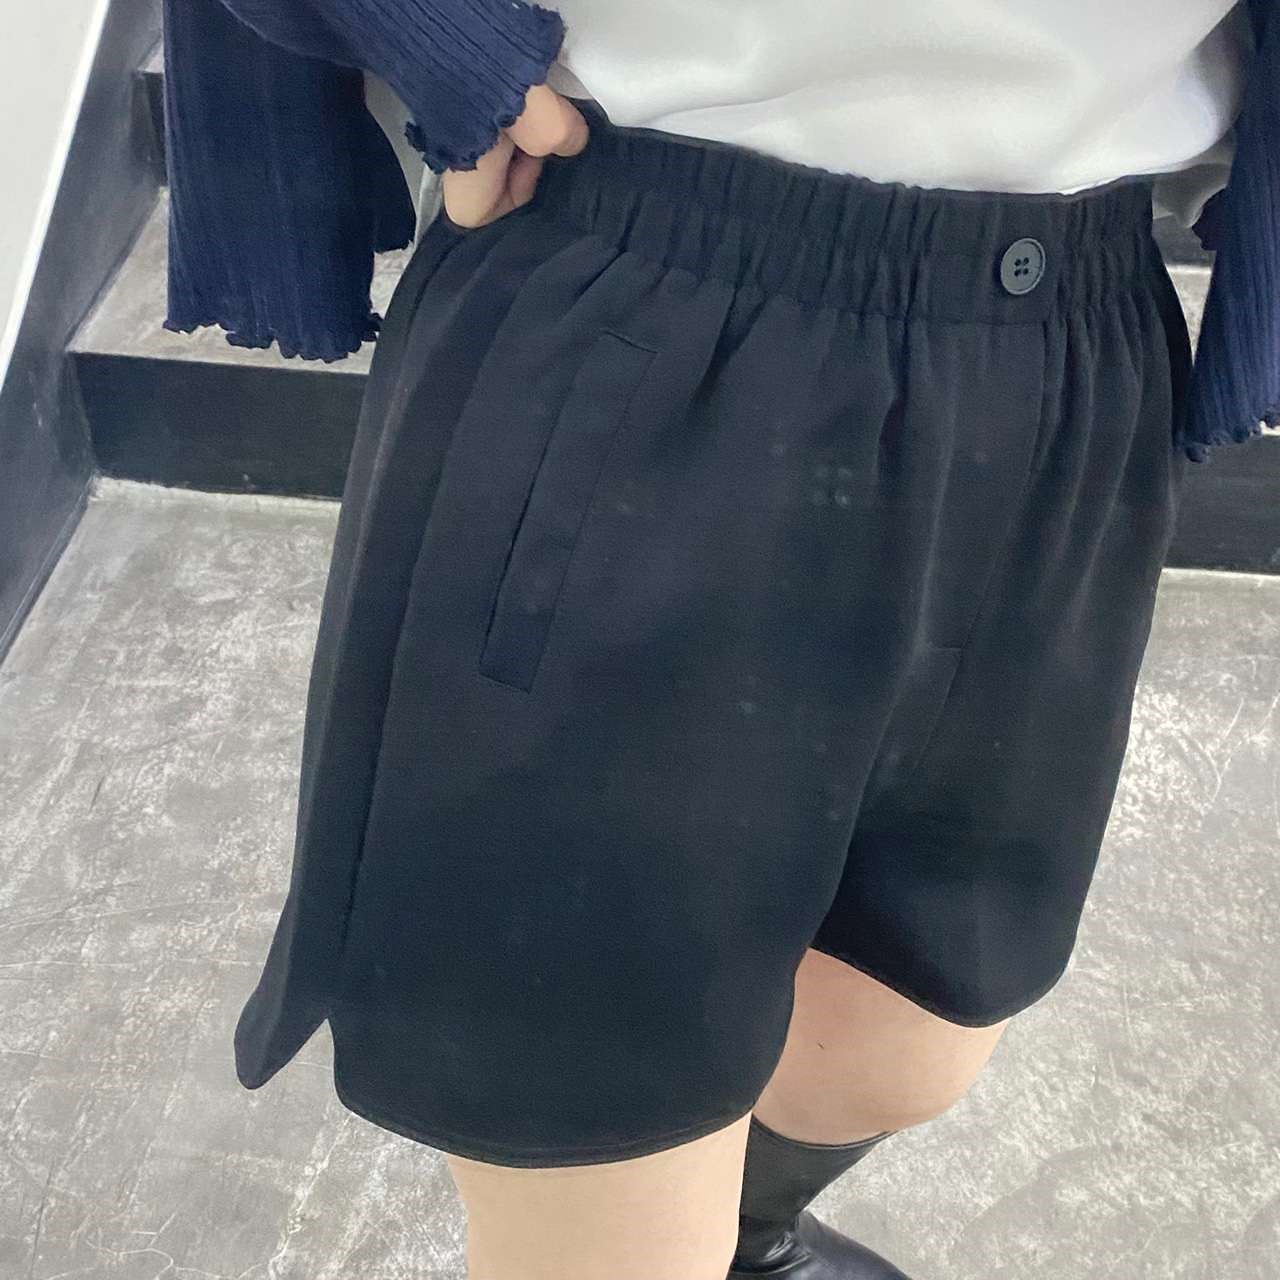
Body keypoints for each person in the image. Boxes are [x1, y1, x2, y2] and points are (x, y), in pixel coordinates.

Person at [163, 3, 1277, 1277]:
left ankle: (748, 1236)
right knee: (587, 1119)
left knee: (911, 1022)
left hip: (1068, 341)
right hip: (656, 299)